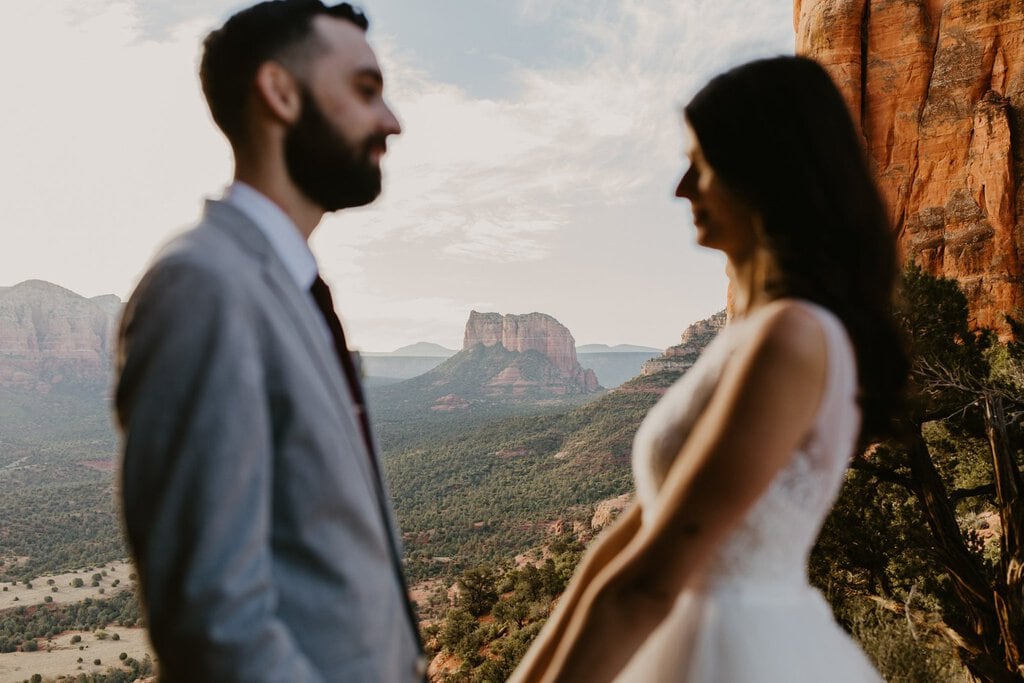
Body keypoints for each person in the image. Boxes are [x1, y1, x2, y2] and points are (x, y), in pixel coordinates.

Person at [511, 55, 908, 682]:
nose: (680, 188)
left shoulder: (793, 336)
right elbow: (611, 558)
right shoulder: (753, 335)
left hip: (740, 655)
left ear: (765, 171)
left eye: (701, 164)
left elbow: (647, 584)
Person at [114, 2, 425, 681]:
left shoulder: (289, 286)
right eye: (366, 91)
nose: (392, 121)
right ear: (280, 93)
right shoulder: (202, 286)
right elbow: (214, 622)